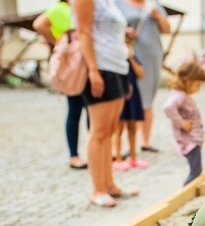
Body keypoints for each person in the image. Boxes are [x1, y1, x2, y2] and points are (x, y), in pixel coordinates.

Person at [73, 0, 139, 208]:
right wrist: (93, 70)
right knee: (99, 131)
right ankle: (97, 190)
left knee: (110, 130)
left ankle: (110, 185)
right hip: (101, 67)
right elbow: (83, 32)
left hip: (118, 66)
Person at [33, 0, 89, 170]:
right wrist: (58, 41)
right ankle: (74, 155)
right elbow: (39, 24)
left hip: (84, 61)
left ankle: (90, 151)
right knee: (75, 109)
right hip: (74, 64)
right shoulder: (60, 8)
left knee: (88, 111)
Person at [115, 0, 171, 152]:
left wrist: (158, 16)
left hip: (152, 56)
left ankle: (146, 141)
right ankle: (128, 144)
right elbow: (111, 26)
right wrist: (126, 32)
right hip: (129, 55)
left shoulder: (153, 5)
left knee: (148, 98)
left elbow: (167, 29)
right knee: (130, 97)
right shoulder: (118, 4)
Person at [163, 60, 205, 186]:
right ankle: (185, 191)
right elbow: (167, 107)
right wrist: (181, 123)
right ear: (187, 80)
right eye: (197, 85)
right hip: (189, 141)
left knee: (196, 170)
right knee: (196, 171)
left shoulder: (182, 95)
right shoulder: (180, 95)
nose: (198, 89)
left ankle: (190, 189)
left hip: (193, 139)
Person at [112, 35, 146, 172]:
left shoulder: (133, 58)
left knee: (133, 127)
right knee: (118, 129)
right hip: (120, 95)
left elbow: (140, 74)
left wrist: (130, 57)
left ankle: (133, 157)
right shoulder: (115, 60)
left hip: (133, 96)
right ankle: (118, 158)